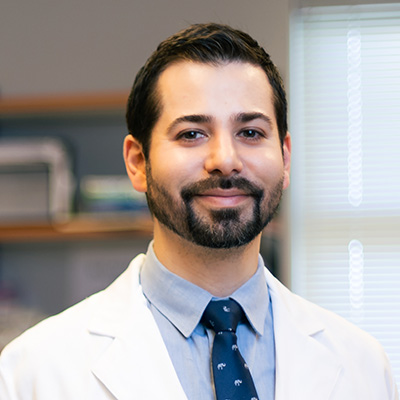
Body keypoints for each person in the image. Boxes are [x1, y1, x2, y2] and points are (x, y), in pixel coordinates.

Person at [0, 23, 397, 400]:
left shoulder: (361, 365)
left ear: (285, 157)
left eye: (251, 133)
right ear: (138, 162)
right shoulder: (34, 372)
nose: (225, 160)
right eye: (191, 133)